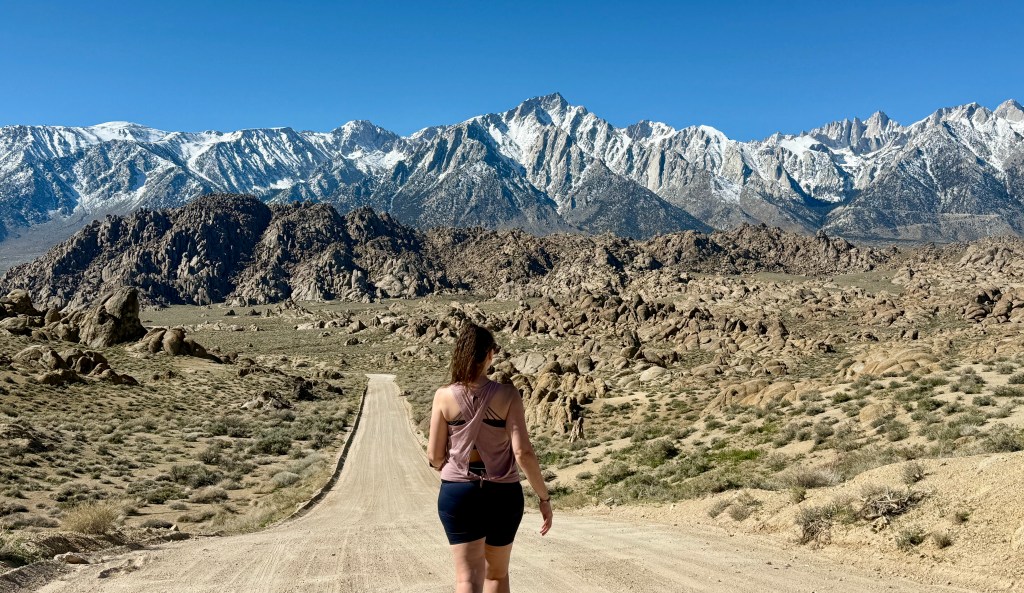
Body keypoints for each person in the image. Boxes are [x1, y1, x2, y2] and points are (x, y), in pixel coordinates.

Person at [428, 322, 553, 593]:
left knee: (466, 577)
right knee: (496, 575)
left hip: (458, 493)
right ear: (489, 355)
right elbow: (523, 453)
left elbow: (435, 456)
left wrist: (448, 464)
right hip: (502, 495)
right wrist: (544, 498)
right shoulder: (508, 395)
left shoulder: (443, 396)